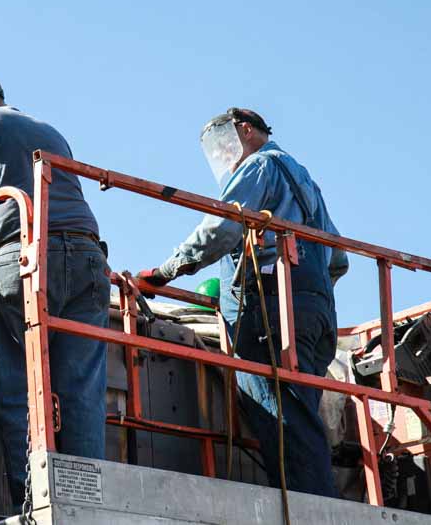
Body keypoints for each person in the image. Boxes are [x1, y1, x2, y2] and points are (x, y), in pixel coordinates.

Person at [139, 108, 348, 497]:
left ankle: (307, 508)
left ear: (245, 130)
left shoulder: (257, 167)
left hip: (271, 310)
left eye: (223, 143)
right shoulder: (305, 181)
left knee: (281, 418)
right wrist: (308, 295)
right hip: (315, 312)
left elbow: (222, 227)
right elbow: (339, 259)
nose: (221, 156)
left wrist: (166, 270)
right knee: (300, 411)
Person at [0, 74, 111, 506]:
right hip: (88, 260)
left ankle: (36, 506)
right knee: (81, 391)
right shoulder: (50, 131)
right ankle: (84, 507)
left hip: (26, 257)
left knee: (17, 389)